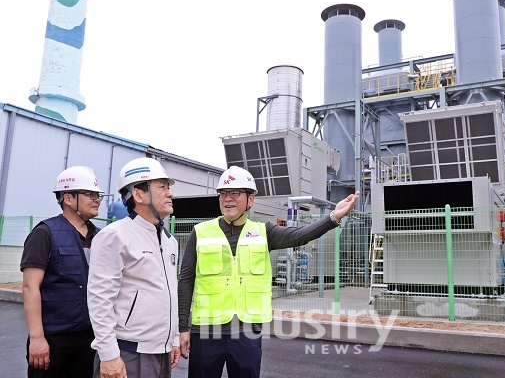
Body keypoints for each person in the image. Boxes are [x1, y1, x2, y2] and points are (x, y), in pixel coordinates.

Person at [178, 165, 359, 378]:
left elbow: (300, 234)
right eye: (223, 193)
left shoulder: (264, 232)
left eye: (235, 193)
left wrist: (332, 218)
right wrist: (183, 328)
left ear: (250, 199)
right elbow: (186, 280)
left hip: (246, 331)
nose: (228, 199)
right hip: (205, 331)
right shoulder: (200, 232)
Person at [87, 157, 181, 378]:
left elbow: (170, 293)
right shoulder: (115, 236)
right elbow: (100, 299)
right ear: (139, 194)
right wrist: (109, 355)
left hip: (161, 353)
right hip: (127, 353)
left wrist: (173, 339)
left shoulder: (170, 241)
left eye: (168, 188)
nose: (170, 193)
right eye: (162, 187)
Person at [20, 166, 105, 377]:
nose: (97, 199)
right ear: (68, 198)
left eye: (98, 195)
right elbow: (30, 287)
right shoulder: (44, 233)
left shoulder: (101, 237)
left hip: (90, 337)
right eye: (89, 194)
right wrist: (37, 338)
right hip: (54, 338)